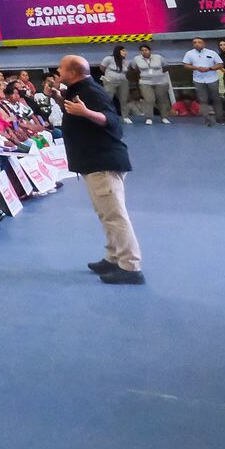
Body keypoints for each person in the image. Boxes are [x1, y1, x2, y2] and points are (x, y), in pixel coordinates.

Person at [58, 56, 142, 285]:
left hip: (102, 163)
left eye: (61, 67)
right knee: (106, 214)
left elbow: (112, 122)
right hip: (92, 162)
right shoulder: (77, 89)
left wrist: (85, 112)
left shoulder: (91, 92)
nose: (58, 70)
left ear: (73, 72)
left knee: (115, 215)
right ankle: (113, 257)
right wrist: (60, 99)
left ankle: (130, 266)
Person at [183, 36, 225, 125]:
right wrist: (196, 68)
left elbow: (220, 64)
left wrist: (209, 68)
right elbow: (185, 65)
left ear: (204, 43)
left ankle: (219, 118)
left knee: (216, 99)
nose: (197, 44)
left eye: (199, 42)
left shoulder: (212, 52)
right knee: (203, 100)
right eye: (195, 42)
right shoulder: (189, 53)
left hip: (212, 79)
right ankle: (207, 119)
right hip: (198, 80)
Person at [130, 43, 170, 124]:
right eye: (142, 50)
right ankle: (149, 118)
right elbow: (134, 68)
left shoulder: (158, 57)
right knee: (149, 100)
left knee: (162, 100)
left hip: (160, 82)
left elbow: (166, 66)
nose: (144, 52)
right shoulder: (136, 59)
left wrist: (158, 74)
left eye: (146, 50)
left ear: (150, 50)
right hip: (145, 82)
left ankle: (164, 117)